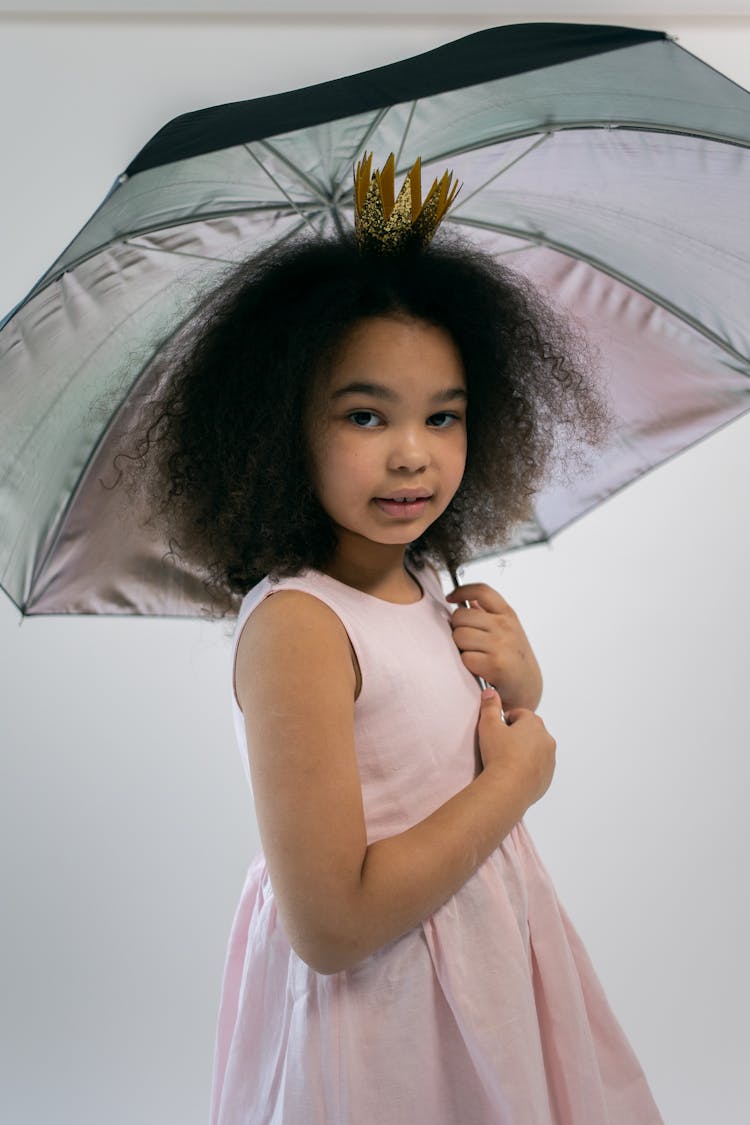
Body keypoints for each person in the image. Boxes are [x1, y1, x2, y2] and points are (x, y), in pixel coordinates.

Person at [123, 157, 664, 1124]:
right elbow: (332, 923)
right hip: (387, 1016)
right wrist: (517, 781)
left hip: (485, 971)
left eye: (443, 415)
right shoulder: (299, 626)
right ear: (276, 431)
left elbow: (442, 752)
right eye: (366, 415)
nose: (413, 452)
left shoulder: (424, 589)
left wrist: (521, 686)